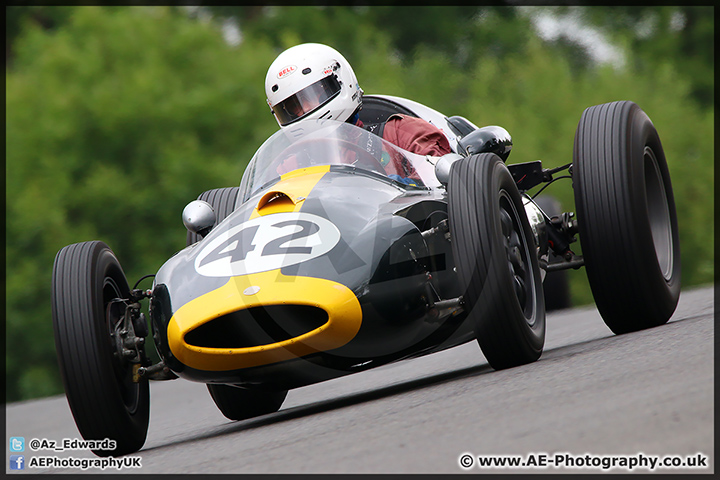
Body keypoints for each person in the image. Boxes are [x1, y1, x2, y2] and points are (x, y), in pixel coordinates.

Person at [264, 43, 453, 167]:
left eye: (313, 96)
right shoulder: (289, 166)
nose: (305, 110)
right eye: (293, 108)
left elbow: (442, 189)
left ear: (339, 80)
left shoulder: (401, 134)